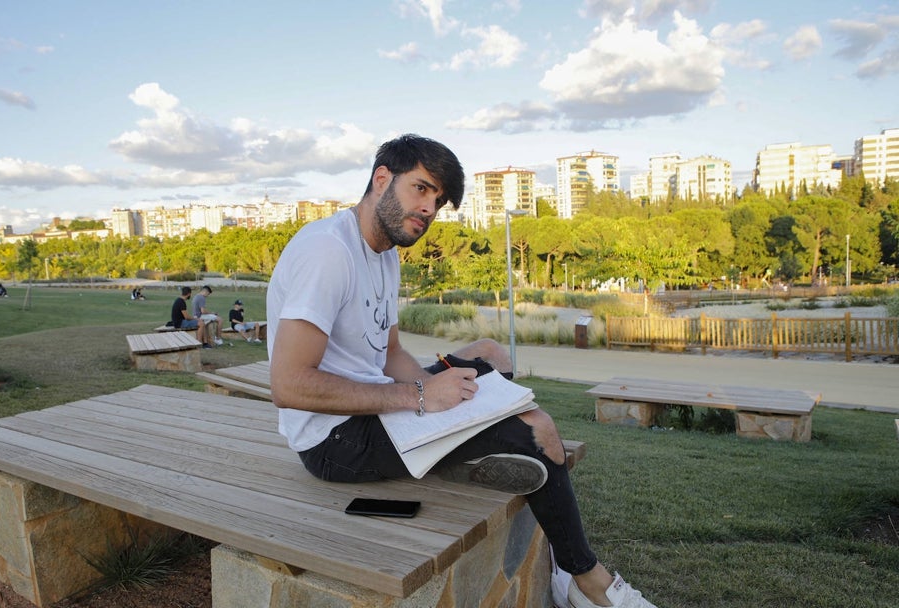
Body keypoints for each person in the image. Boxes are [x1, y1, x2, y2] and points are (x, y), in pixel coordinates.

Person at [266, 134, 656, 608]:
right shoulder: (329, 251)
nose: (429, 208)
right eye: (421, 189)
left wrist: (429, 386)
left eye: (438, 200)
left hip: (374, 404)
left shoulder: (384, 252)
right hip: (333, 440)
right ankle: (584, 578)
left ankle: (467, 444)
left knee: (490, 354)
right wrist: (421, 399)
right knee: (537, 430)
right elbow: (288, 386)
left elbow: (387, 353)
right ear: (381, 178)